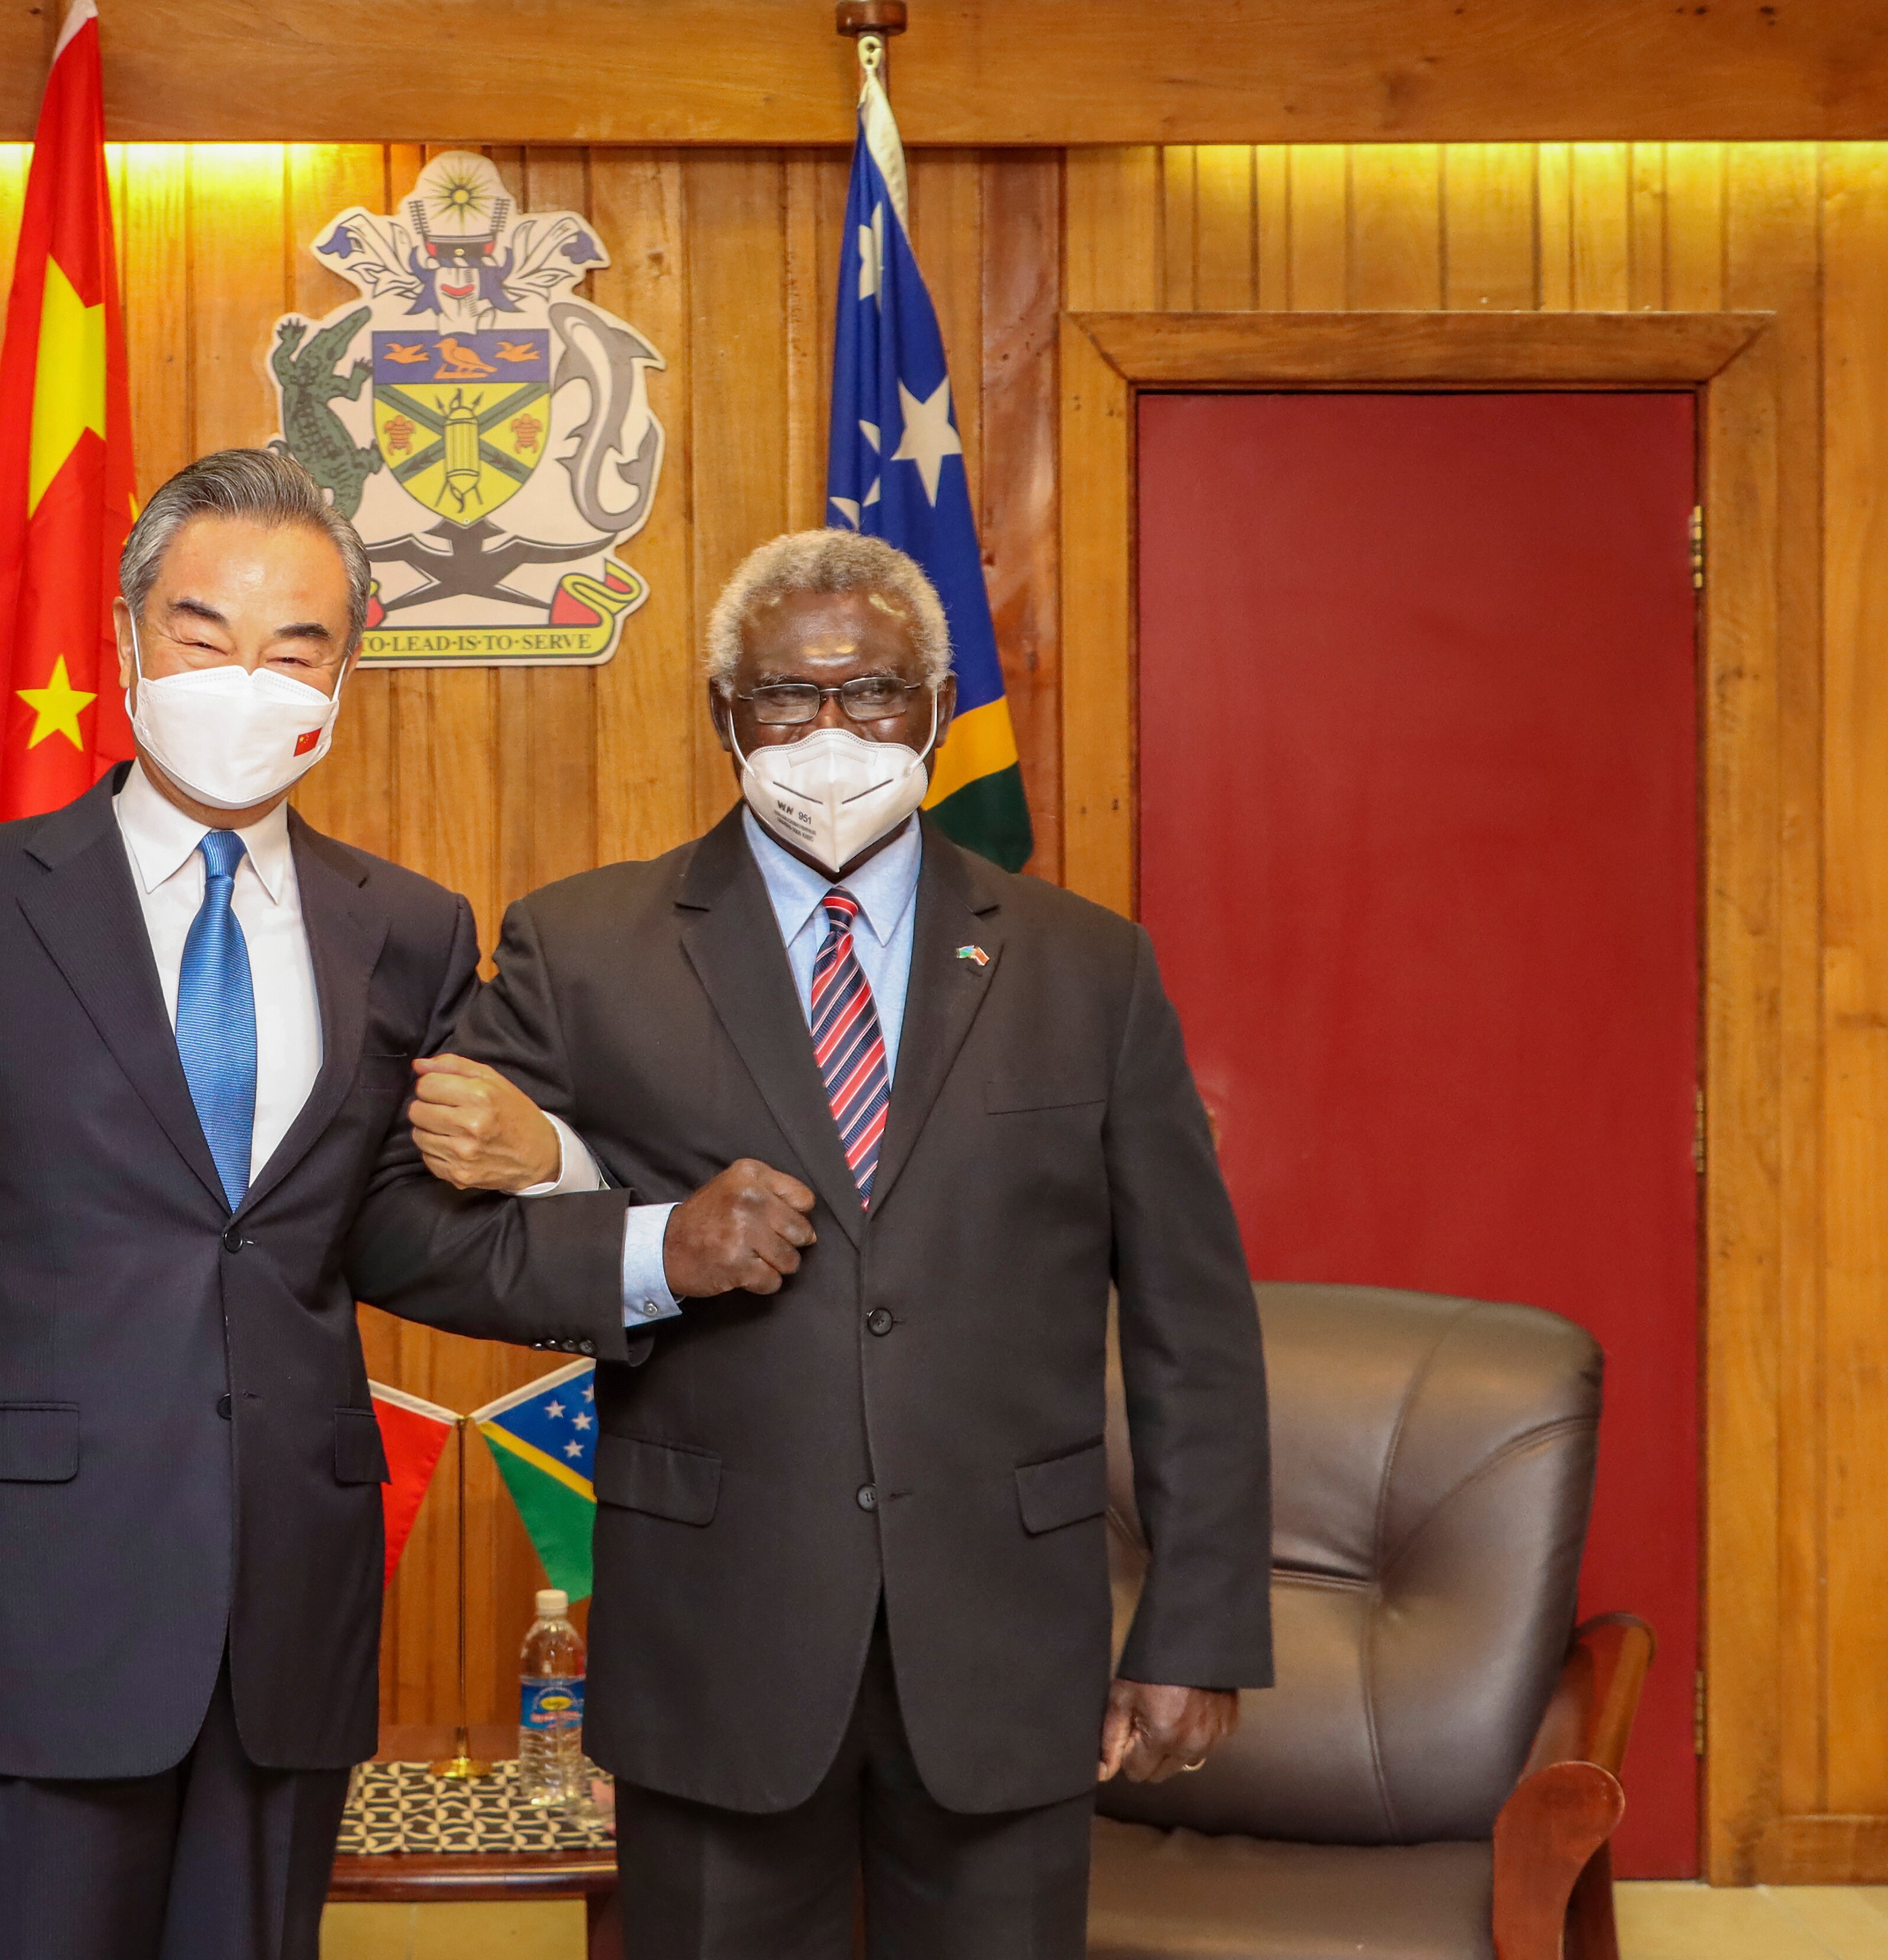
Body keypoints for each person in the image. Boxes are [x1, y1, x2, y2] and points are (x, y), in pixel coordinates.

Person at [352, 529, 1274, 1959]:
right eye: (787, 693)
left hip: (1005, 1652)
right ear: (726, 713)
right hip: (716, 1650)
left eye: (876, 691)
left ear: (937, 706)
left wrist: (1196, 1624)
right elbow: (401, 1232)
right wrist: (656, 1247)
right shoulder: (584, 947)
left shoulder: (1089, 965)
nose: (832, 730)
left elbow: (1190, 1322)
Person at [0, 449, 631, 1960]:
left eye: (294, 646)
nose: (247, 680)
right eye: (204, 634)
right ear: (127, 638)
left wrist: (559, 1161)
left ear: (345, 671)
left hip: (287, 1623)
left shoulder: (407, 928)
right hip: (25, 1620)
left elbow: (405, 1235)